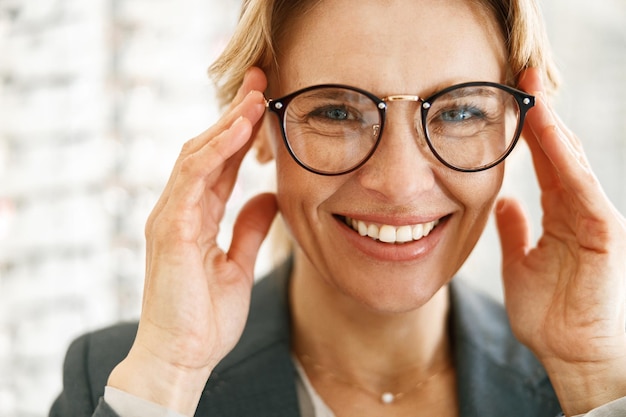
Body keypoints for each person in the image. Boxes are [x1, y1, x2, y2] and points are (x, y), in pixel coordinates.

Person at [50, 0, 626, 416]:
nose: (400, 184)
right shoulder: (122, 382)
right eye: (336, 112)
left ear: (523, 128)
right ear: (258, 129)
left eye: (458, 112)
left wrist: (591, 380)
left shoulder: (586, 390)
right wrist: (170, 376)